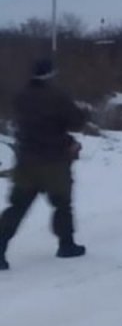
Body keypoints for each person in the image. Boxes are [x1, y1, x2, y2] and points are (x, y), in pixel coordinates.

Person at [0, 58, 87, 270]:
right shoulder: (58, 96)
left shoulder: (21, 96)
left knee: (17, 207)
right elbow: (76, 121)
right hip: (54, 160)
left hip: (25, 160)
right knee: (62, 205)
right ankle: (66, 245)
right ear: (51, 75)